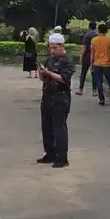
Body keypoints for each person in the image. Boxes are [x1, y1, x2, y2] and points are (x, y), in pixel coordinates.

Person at [37, 33, 75, 168]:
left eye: (54, 48)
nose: (52, 51)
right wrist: (41, 73)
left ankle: (62, 157)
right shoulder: (49, 59)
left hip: (60, 98)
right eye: (50, 48)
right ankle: (50, 153)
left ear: (61, 46)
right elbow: (43, 78)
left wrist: (50, 74)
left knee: (59, 129)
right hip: (47, 96)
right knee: (46, 128)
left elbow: (64, 79)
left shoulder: (67, 60)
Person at [90, 23, 110, 106]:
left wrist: (91, 64)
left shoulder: (94, 40)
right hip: (107, 64)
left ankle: (102, 100)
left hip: (97, 64)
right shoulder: (109, 39)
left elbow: (92, 54)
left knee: (99, 82)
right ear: (106, 31)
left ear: (98, 30)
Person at [75, 20, 98, 96]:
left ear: (89, 27)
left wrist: (81, 57)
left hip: (86, 57)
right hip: (95, 57)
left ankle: (80, 90)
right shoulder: (97, 36)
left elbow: (84, 47)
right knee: (94, 74)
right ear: (96, 27)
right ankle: (94, 91)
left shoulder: (86, 35)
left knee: (83, 73)